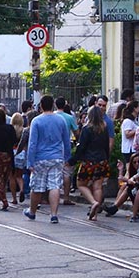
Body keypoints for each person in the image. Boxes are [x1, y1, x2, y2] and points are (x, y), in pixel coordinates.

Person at [24, 94, 72, 224]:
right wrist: (67, 156)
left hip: (40, 157)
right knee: (54, 185)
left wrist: (30, 161)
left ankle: (32, 211)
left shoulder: (36, 121)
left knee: (37, 186)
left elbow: (32, 143)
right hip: (57, 157)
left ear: (40, 106)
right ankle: (54, 214)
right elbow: (66, 140)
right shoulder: (60, 120)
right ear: (53, 105)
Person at [72, 105, 112, 220]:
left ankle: (93, 202)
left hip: (89, 161)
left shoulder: (86, 129)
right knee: (97, 187)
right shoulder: (104, 128)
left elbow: (82, 146)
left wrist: (74, 159)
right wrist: (107, 159)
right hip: (102, 160)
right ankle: (95, 215)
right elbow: (106, 146)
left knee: (81, 184)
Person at [55, 96, 78, 206]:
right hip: (66, 145)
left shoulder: (52, 116)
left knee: (54, 172)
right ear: (64, 105)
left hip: (54, 146)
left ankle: (52, 195)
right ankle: (66, 197)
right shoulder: (69, 117)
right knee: (66, 173)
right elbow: (76, 132)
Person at [119, 100, 139, 170]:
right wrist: (138, 130)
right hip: (129, 149)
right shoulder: (128, 121)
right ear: (134, 108)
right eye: (138, 107)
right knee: (130, 168)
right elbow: (127, 134)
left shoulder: (135, 120)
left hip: (134, 148)